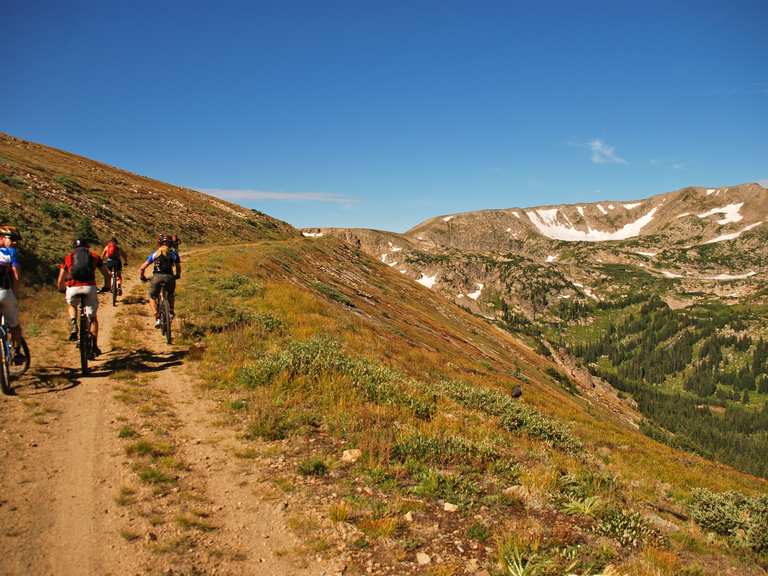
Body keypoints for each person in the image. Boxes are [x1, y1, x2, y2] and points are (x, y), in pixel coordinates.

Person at [57, 238, 110, 357]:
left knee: (71, 304)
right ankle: (94, 346)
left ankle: (74, 323)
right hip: (89, 287)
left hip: (72, 288)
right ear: (87, 247)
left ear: (74, 247)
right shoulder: (95, 257)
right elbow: (106, 274)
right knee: (93, 318)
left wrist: (60, 288)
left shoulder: (68, 257)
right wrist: (106, 287)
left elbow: (61, 278)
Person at [139, 235, 181, 328]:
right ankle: (171, 311)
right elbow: (178, 267)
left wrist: (142, 276)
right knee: (170, 294)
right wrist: (177, 275)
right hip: (170, 278)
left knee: (152, 296)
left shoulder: (155, 253)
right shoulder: (173, 253)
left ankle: (157, 317)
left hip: (157, 277)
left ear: (159, 244)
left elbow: (142, 267)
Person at [0, 226, 25, 364]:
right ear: (1, 238)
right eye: (13, 239)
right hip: (4, 291)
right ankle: (17, 353)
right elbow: (16, 275)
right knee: (15, 325)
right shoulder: (9, 252)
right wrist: (15, 294)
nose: (15, 243)